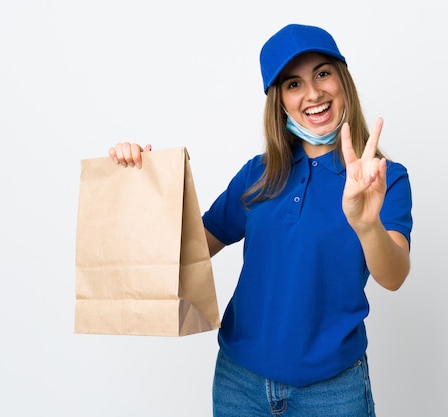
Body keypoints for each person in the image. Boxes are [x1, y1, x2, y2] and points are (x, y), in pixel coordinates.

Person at [109, 23, 412, 417]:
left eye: (323, 73)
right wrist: (138, 178)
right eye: (293, 84)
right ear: (279, 100)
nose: (313, 93)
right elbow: (183, 254)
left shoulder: (383, 177)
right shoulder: (258, 175)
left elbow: (394, 276)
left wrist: (366, 222)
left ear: (342, 79)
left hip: (333, 391)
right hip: (240, 384)